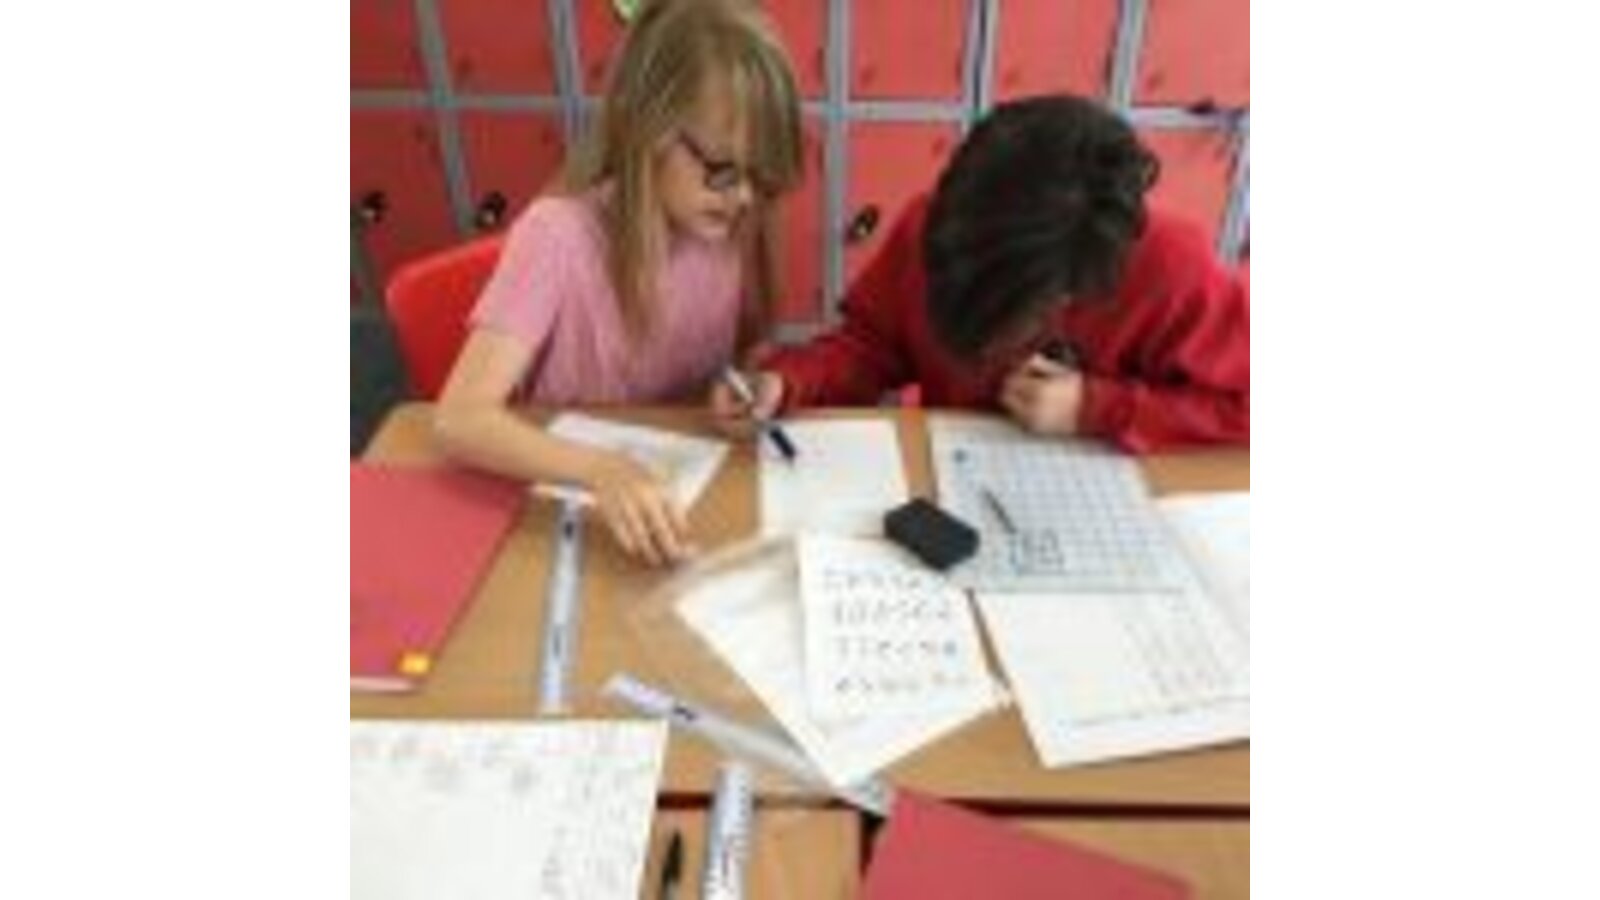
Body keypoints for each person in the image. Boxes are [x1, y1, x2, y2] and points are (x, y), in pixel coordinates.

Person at [434, 0, 803, 566]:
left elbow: (720, 362)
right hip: (569, 515)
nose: (746, 196)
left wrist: (742, 387)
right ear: (648, 128)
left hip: (677, 502)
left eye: (760, 174)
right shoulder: (556, 239)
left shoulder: (724, 228)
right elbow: (459, 419)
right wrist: (600, 470)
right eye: (724, 169)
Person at [710, 94, 1248, 455]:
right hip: (959, 475)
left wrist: (1097, 408)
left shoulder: (1172, 267)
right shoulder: (932, 226)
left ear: (1071, 290)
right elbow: (870, 347)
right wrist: (788, 382)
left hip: (1111, 509)